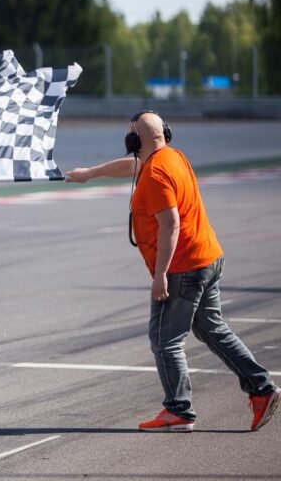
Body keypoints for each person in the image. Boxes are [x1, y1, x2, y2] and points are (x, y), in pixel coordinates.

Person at [65, 111, 279, 432]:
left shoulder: (155, 175)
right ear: (164, 133)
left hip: (183, 267)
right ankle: (262, 389)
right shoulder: (170, 157)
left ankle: (178, 411)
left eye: (130, 134)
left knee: (165, 341)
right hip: (207, 257)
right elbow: (132, 166)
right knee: (211, 329)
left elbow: (170, 224)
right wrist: (90, 173)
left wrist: (160, 274)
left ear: (135, 140)